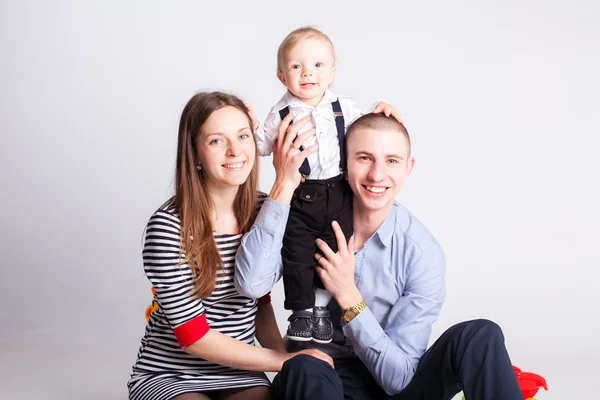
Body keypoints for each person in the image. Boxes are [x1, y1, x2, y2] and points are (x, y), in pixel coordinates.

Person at [235, 113, 523, 399]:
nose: (377, 175)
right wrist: (284, 184)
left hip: (391, 386)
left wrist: (349, 297)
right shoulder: (306, 220)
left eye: (392, 160)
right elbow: (252, 284)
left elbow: (399, 381)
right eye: (364, 158)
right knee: (306, 367)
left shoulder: (421, 253)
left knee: (480, 335)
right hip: (320, 380)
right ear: (343, 166)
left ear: (408, 168)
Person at [127, 91, 332, 400]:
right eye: (217, 141)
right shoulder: (168, 226)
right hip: (169, 374)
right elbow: (194, 336)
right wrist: (282, 361)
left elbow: (260, 305)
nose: (236, 151)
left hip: (240, 373)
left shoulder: (267, 210)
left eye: (243, 136)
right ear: (195, 153)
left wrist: (290, 368)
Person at [254, 26, 402, 344]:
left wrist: (384, 111)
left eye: (318, 65)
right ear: (282, 76)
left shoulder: (344, 107)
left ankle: (321, 309)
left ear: (332, 70)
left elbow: (369, 129)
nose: (308, 72)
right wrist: (245, 125)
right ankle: (301, 312)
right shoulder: (279, 113)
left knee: (334, 248)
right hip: (301, 192)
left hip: (339, 191)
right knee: (296, 251)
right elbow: (258, 146)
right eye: (297, 66)